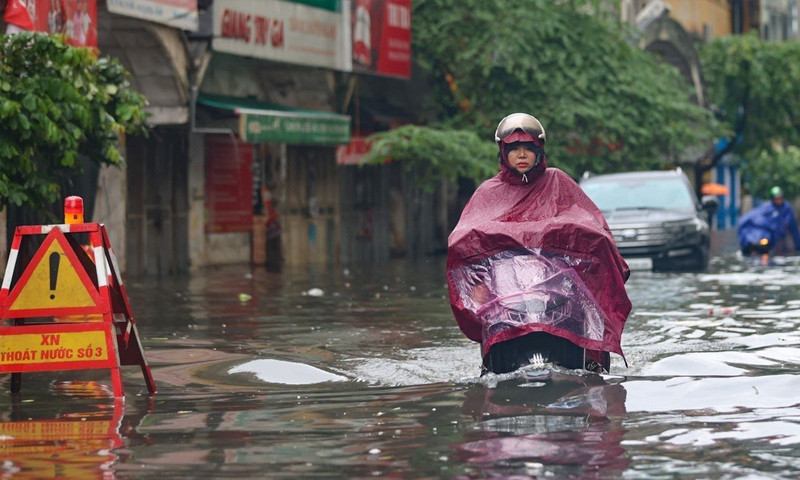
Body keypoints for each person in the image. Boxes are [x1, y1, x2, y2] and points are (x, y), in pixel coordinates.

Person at [446, 113, 632, 375]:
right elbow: (464, 237)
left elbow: (591, 225)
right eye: (514, 149)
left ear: (539, 151)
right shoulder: (488, 192)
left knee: (590, 357)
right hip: (506, 290)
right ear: (503, 152)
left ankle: (592, 363)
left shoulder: (558, 182)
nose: (521, 155)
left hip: (559, 286)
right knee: (492, 349)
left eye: (528, 148)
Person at [738, 186, 800, 256]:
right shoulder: (767, 208)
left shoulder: (787, 208)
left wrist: (798, 246)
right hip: (767, 237)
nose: (778, 200)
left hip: (781, 236)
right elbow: (752, 218)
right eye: (776, 198)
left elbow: (793, 227)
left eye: (780, 198)